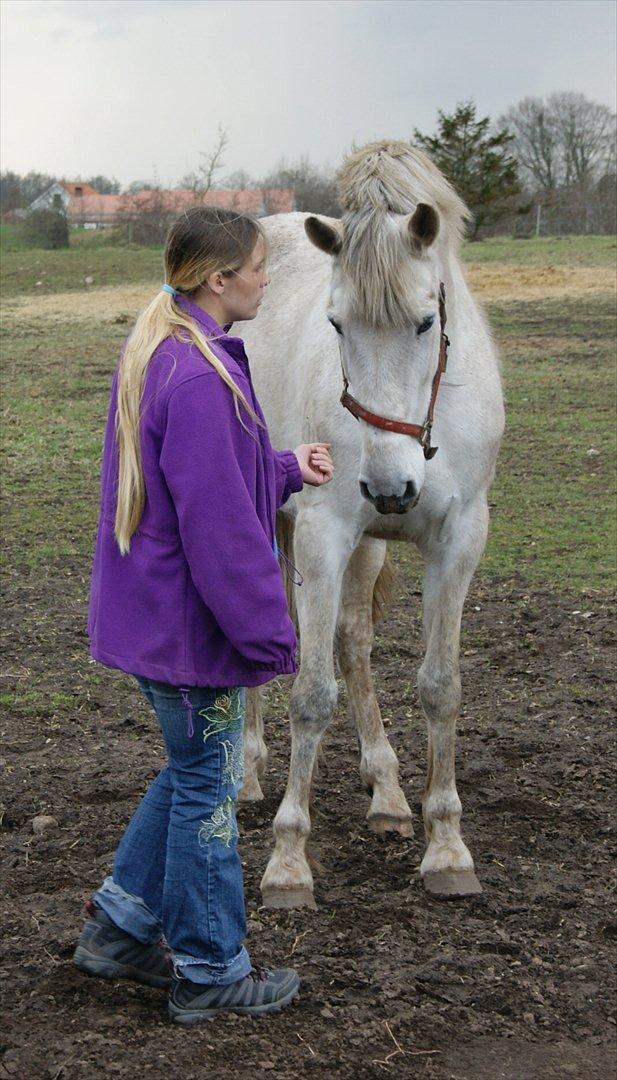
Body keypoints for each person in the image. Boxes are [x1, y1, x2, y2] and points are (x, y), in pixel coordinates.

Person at [73, 206, 334, 1025]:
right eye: (260, 266)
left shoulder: (177, 348)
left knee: (194, 769)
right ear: (219, 280)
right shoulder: (196, 377)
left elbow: (214, 469)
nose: (269, 278)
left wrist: (284, 467)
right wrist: (269, 635)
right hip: (189, 629)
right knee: (209, 789)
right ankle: (210, 965)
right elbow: (219, 530)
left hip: (159, 616)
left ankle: (120, 927)